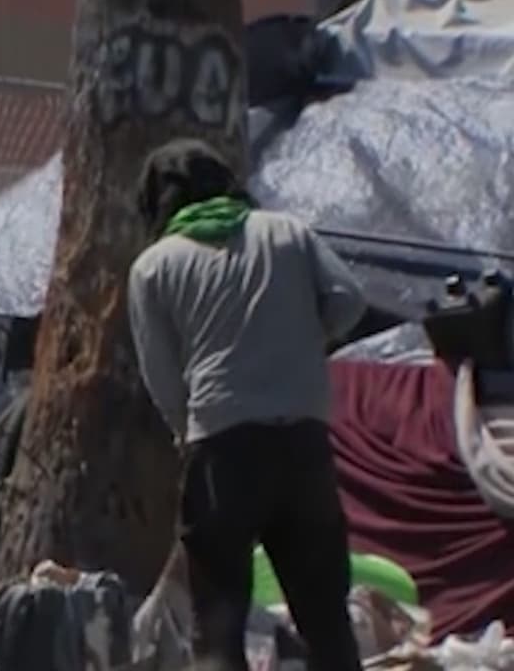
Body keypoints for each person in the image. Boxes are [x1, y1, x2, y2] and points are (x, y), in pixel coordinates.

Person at [126, 138, 367, 671]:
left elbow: (162, 377)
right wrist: (303, 347)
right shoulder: (288, 233)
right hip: (304, 443)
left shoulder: (153, 267)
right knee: (326, 619)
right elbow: (350, 299)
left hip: (221, 449)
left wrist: (188, 432)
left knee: (218, 624)